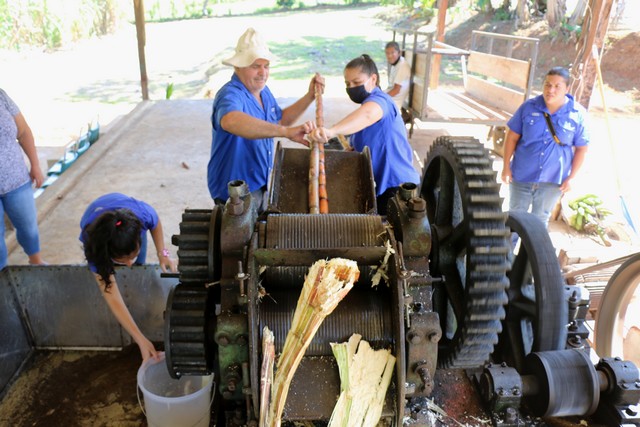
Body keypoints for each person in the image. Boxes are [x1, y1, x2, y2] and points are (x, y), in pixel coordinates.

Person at [208, 27, 323, 211]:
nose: (263, 73)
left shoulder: (263, 91)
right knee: (241, 237)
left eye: (266, 66)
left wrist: (310, 96)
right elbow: (230, 120)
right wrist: (285, 133)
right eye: (255, 66)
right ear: (238, 66)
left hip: (261, 182)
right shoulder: (230, 94)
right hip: (236, 192)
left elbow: (279, 121)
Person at [307, 54, 420, 215]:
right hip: (382, 187)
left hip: (398, 187)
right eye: (348, 83)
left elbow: (368, 114)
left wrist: (331, 131)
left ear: (373, 79)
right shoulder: (365, 108)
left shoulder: (381, 101)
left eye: (357, 82)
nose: (352, 87)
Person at [79, 193, 178, 360]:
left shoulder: (141, 215)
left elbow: (156, 223)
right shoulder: (95, 249)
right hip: (98, 231)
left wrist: (163, 253)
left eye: (132, 255)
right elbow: (112, 296)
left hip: (126, 220)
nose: (129, 264)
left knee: (139, 264)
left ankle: (129, 256)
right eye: (122, 260)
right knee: (120, 266)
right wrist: (140, 339)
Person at [501, 66, 590, 227]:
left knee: (539, 222)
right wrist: (506, 167)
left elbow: (582, 149)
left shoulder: (577, 114)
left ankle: (529, 253)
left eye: (557, 86)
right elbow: (512, 137)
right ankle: (507, 253)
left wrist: (571, 178)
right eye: (548, 85)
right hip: (521, 175)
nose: (551, 90)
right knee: (514, 219)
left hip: (553, 180)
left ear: (567, 88)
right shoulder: (528, 107)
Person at [1, 88, 46, 271]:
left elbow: (24, 132)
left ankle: (35, 261)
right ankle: (3, 278)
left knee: (28, 227)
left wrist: (35, 165)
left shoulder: (1, 96)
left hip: (17, 180)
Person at [384, 41, 411, 113]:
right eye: (387, 53)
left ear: (399, 52)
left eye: (392, 53)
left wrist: (381, 98)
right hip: (390, 98)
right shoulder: (396, 63)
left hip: (393, 102)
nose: (389, 56)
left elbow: (396, 90)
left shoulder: (402, 65)